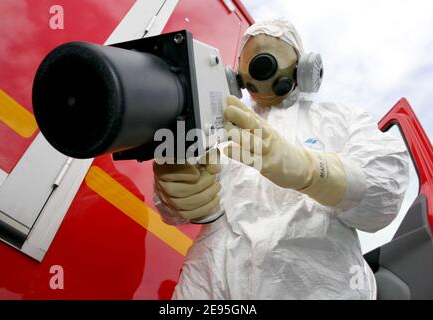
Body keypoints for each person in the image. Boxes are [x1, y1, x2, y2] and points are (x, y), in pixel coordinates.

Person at [153, 18, 409, 299]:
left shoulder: (337, 119)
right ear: (236, 75)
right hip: (210, 285)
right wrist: (177, 197)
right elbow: (185, 208)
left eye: (271, 57)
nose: (263, 69)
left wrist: (309, 170)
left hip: (317, 287)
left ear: (305, 69)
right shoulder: (221, 124)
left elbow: (383, 192)